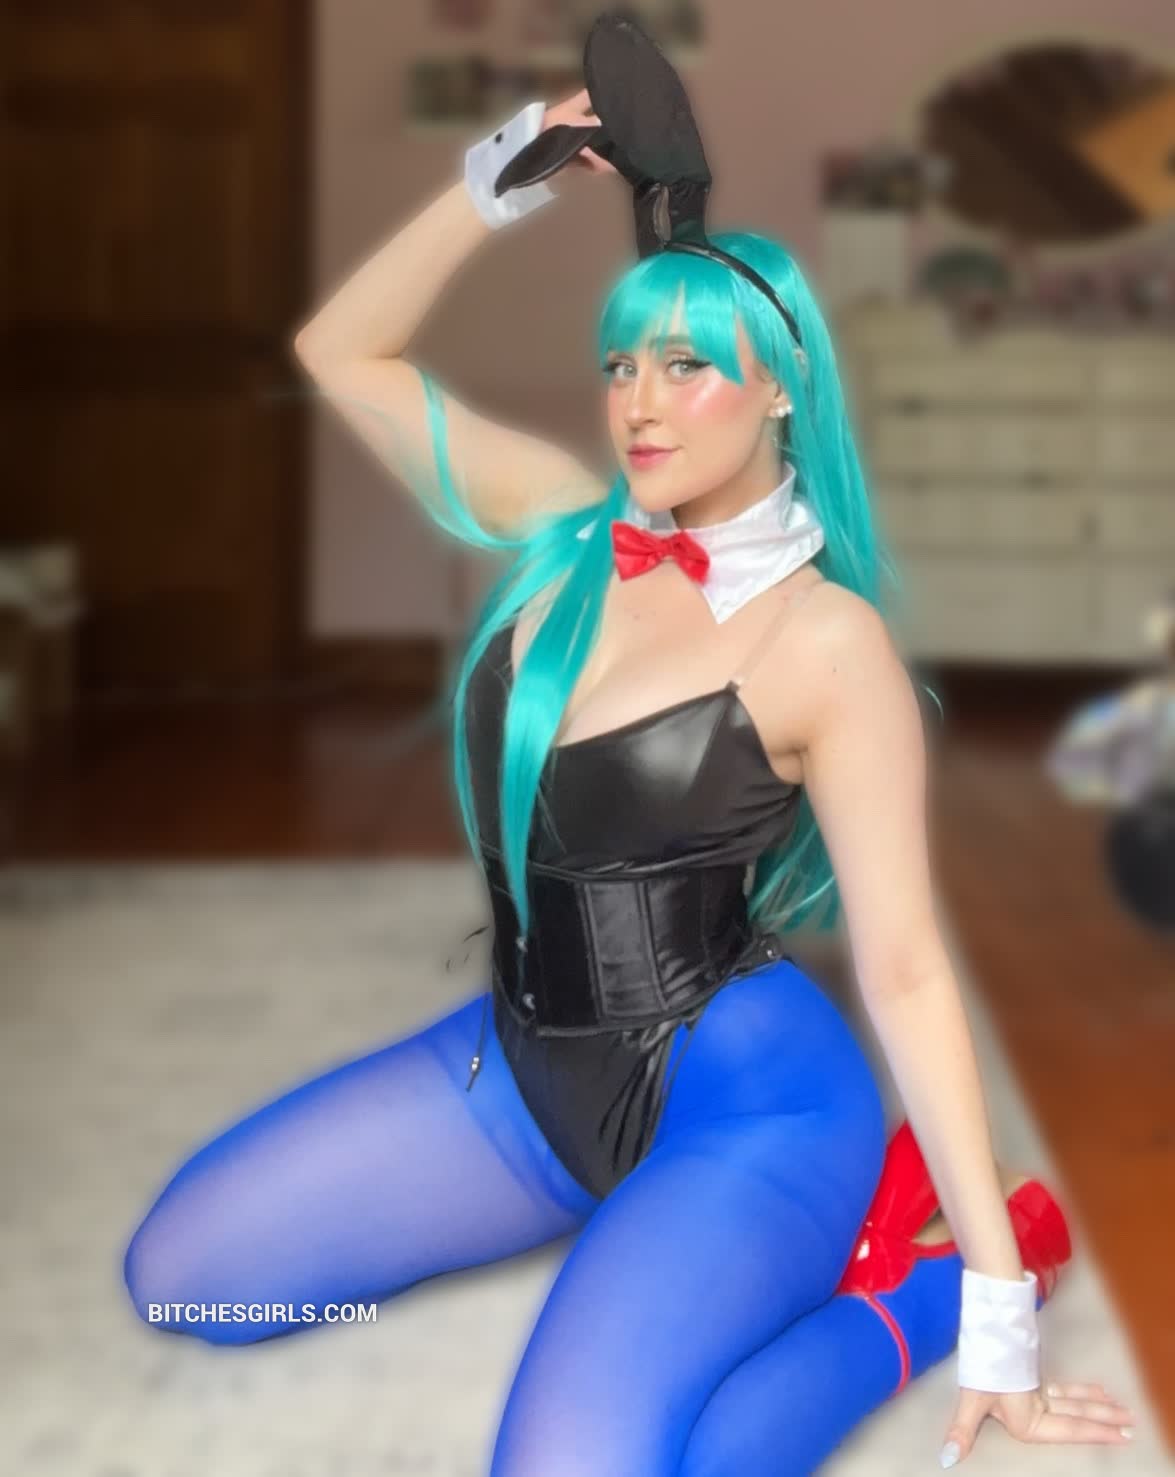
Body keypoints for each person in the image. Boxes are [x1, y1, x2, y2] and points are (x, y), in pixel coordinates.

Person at [121, 14, 1137, 1472]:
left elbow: (909, 970)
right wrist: (497, 177)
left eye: (687, 366)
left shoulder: (824, 642)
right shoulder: (559, 526)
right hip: (524, 1073)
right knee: (192, 1284)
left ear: (780, 385)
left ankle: (907, 1294)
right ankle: (646, 1255)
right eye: (621, 365)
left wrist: (994, 1320)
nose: (639, 406)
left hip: (747, 1106)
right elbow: (338, 352)